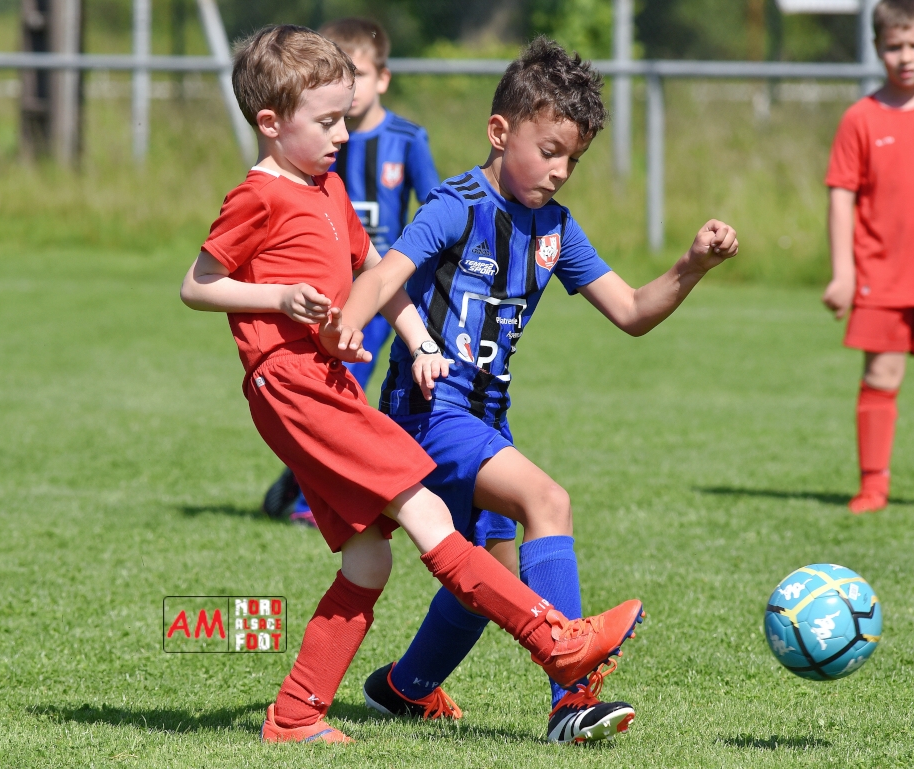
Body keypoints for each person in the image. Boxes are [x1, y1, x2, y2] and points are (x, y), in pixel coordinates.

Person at [179, 25, 645, 744]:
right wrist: (278, 298)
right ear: (271, 123)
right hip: (292, 384)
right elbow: (198, 284)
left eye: (345, 117)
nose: (343, 134)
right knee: (427, 512)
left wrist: (420, 341)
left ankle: (297, 716)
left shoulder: (330, 188)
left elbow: (380, 273)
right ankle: (557, 642)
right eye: (327, 121)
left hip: (326, 382)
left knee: (370, 558)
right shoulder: (258, 196)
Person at [329, 37, 739, 744]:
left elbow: (632, 311)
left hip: (487, 418)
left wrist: (691, 265)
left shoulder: (555, 227)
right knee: (548, 501)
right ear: (500, 131)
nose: (559, 171)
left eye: (572, 160)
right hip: (428, 411)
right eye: (549, 151)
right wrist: (346, 330)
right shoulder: (456, 204)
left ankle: (402, 689)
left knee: (490, 582)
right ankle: (571, 699)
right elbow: (384, 271)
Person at [262, 17, 441, 528]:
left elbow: (434, 210)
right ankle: (307, 489)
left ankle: (310, 492)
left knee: (354, 386)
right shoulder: (313, 141)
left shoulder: (406, 139)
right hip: (328, 291)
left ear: (382, 77)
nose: (352, 88)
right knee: (330, 389)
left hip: (385, 289)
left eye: (358, 74)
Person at [822, 0, 914, 514]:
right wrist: (844, 273)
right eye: (894, 47)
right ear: (877, 48)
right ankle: (873, 487)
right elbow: (840, 199)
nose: (905, 56)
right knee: (882, 377)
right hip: (880, 279)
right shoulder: (860, 119)